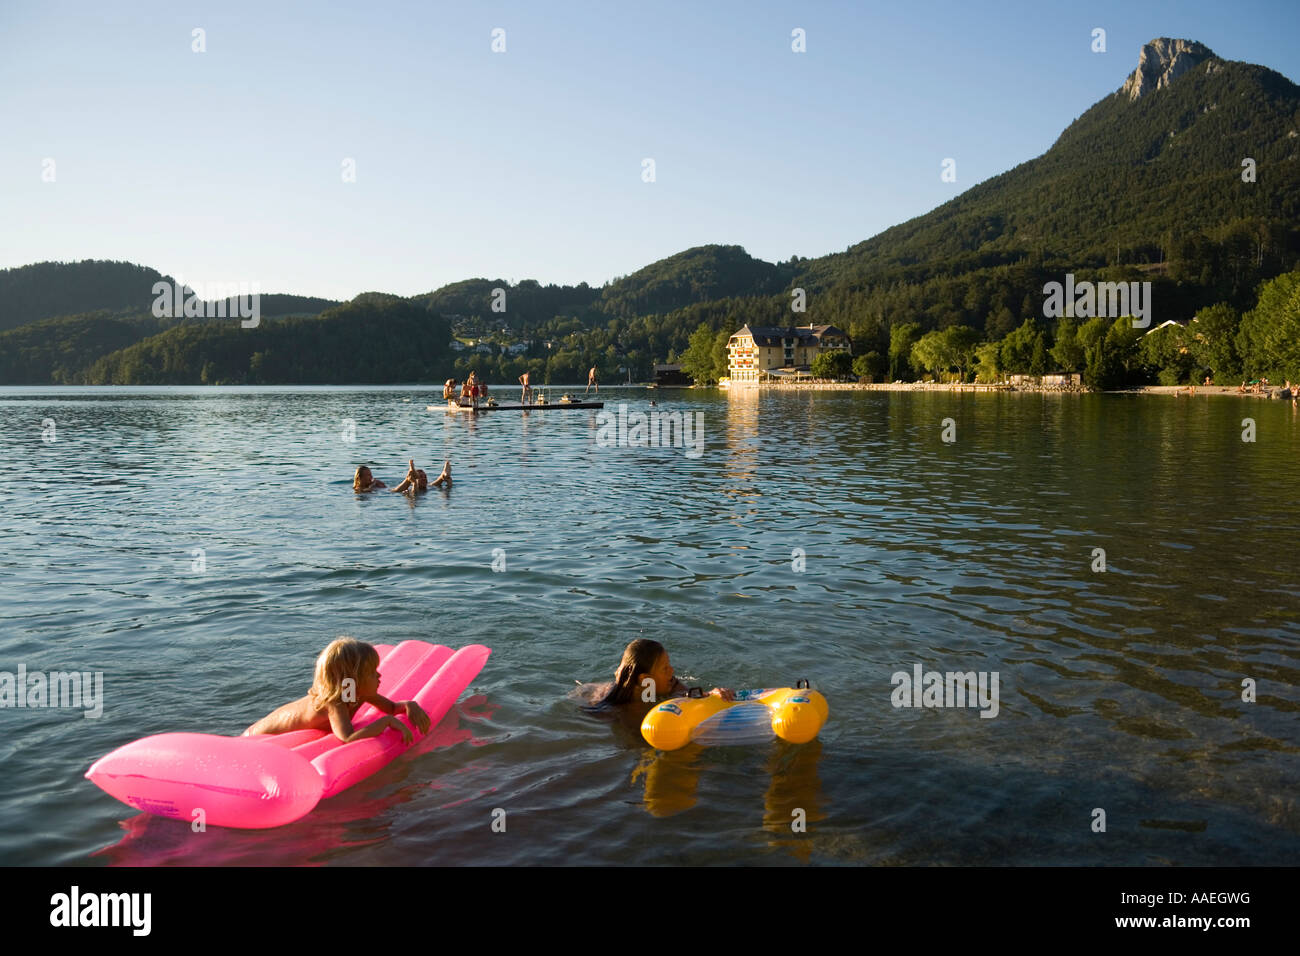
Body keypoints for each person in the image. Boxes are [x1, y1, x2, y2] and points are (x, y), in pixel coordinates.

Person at [243, 637, 431, 742]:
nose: (379, 676)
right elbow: (348, 737)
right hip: (256, 736)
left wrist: (409, 705)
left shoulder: (355, 692)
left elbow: (390, 707)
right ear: (352, 680)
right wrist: (388, 722)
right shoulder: (336, 703)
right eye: (372, 673)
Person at [582, 639, 733, 710]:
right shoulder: (616, 710)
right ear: (645, 680)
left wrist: (712, 695)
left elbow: (688, 695)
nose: (672, 671)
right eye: (665, 668)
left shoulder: (667, 684)